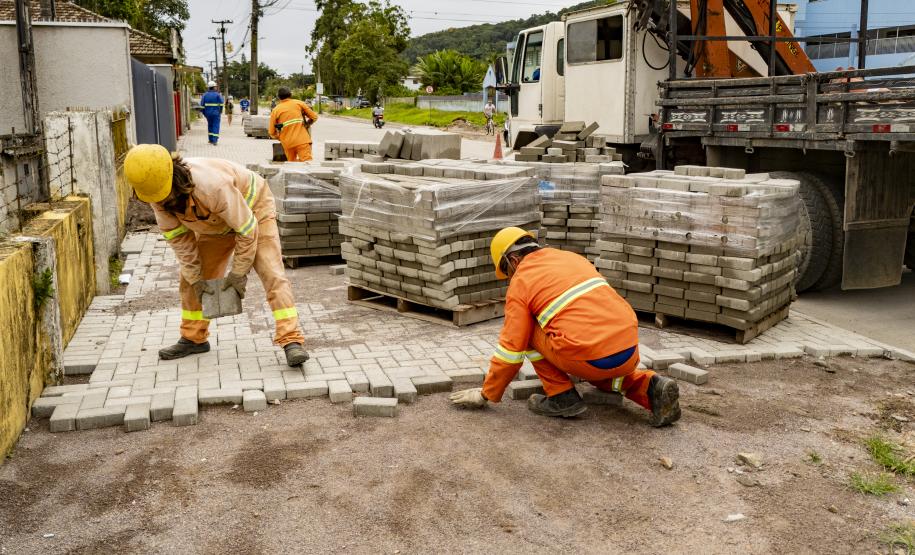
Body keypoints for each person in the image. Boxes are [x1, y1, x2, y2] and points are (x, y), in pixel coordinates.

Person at [449, 227, 681, 427]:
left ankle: (562, 396)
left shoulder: (521, 282)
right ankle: (652, 387)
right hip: (628, 349)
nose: (510, 278)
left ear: (514, 261)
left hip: (589, 356)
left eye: (507, 271)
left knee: (527, 333)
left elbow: (511, 350)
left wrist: (486, 393)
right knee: (600, 369)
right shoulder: (571, 257)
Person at [122, 143, 310, 367]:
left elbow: (246, 230)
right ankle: (194, 338)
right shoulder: (157, 196)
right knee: (190, 280)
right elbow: (181, 243)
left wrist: (238, 272)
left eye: (165, 196)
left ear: (175, 179)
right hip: (215, 226)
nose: (162, 202)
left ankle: (291, 340)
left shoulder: (212, 186)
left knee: (272, 273)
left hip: (253, 211)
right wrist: (195, 278)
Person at [269, 86, 319, 162]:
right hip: (302, 141)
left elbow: (271, 132)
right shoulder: (299, 103)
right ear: (290, 95)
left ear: (278, 97)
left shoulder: (276, 110)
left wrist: (281, 137)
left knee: (291, 167)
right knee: (308, 164)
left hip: (287, 143)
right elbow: (314, 117)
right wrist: (307, 124)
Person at [201, 81, 224, 146]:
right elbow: (222, 103)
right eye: (215, 86)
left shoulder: (205, 95)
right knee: (216, 125)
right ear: (213, 87)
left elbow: (202, 105)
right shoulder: (217, 94)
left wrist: (204, 113)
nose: (216, 87)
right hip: (216, 113)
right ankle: (215, 140)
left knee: (210, 125)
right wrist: (220, 111)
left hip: (208, 113)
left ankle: (210, 140)